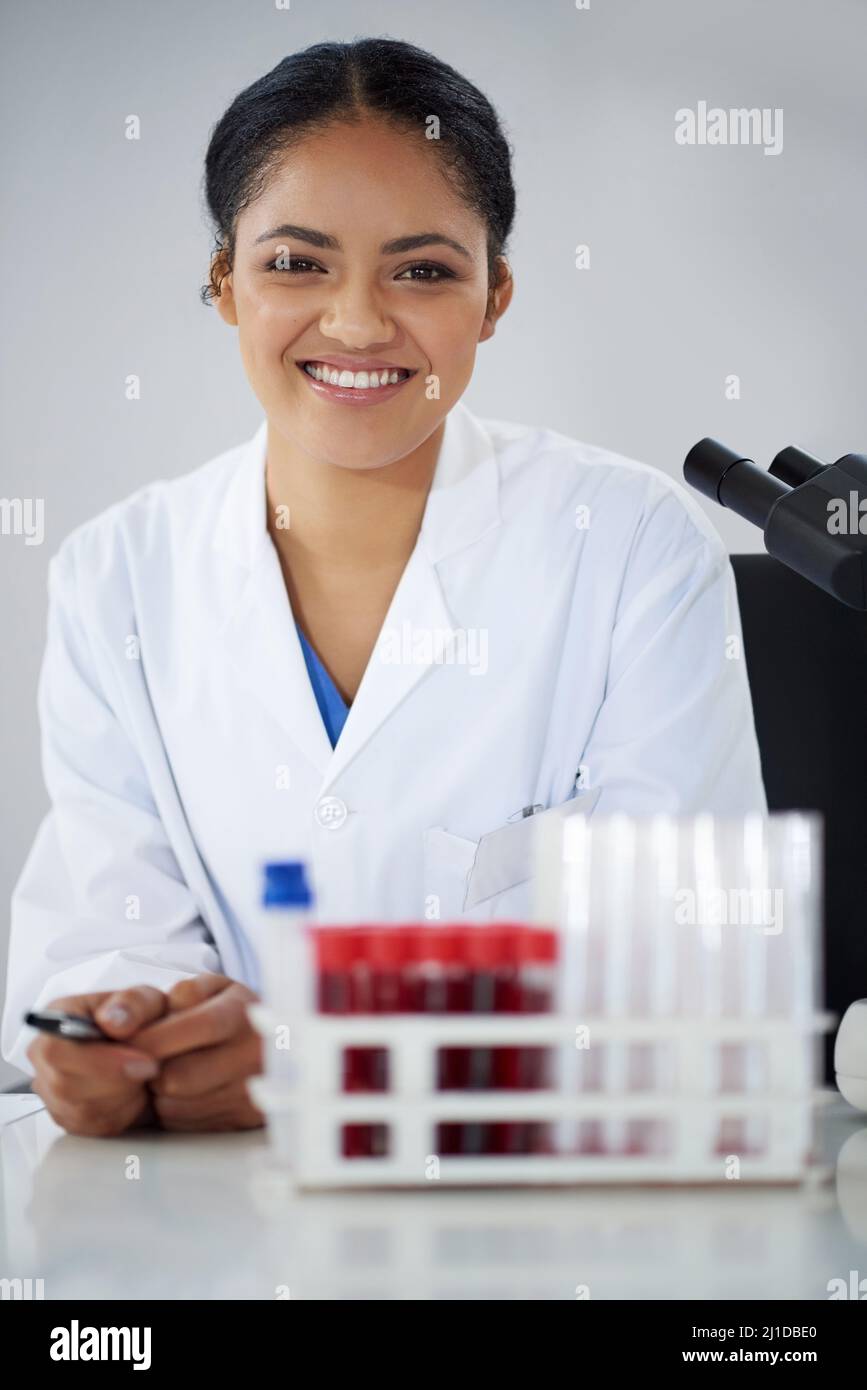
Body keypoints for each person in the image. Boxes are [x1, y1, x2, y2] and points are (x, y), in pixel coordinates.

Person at [1, 39, 766, 1135]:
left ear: (494, 295)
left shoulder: (632, 545)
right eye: (297, 263)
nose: (358, 323)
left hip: (539, 1237)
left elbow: (693, 978)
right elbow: (109, 927)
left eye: (422, 269)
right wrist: (122, 1035)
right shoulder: (117, 577)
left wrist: (327, 1059)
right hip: (207, 1226)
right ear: (225, 282)